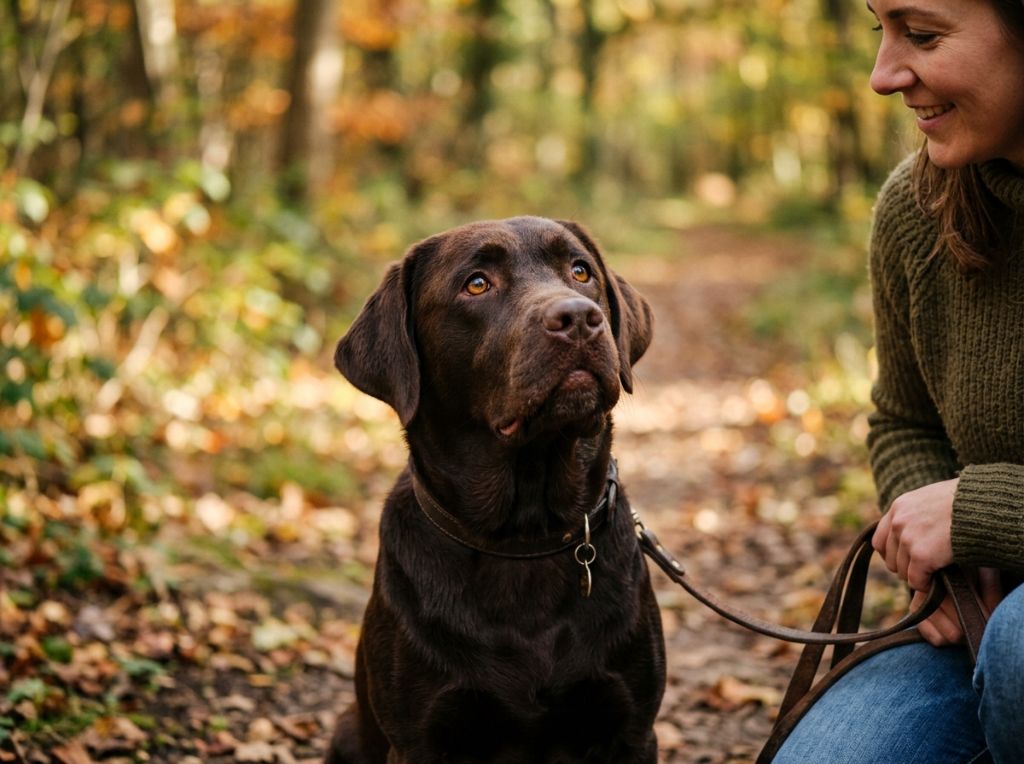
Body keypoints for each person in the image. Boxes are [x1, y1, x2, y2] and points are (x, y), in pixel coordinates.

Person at [773, 0, 1024, 761]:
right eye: (877, 30)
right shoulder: (917, 211)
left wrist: (981, 511)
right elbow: (903, 420)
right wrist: (941, 559)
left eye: (921, 35)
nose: (883, 75)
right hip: (977, 629)